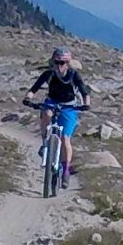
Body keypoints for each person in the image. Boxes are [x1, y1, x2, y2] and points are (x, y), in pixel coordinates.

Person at [28, 47, 91, 183]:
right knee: (46, 114)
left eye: (62, 63)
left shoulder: (73, 75)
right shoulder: (48, 74)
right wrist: (28, 98)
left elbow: (84, 92)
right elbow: (34, 88)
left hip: (69, 106)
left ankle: (66, 169)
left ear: (68, 63)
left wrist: (86, 104)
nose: (58, 66)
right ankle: (45, 143)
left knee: (65, 139)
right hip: (52, 102)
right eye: (56, 62)